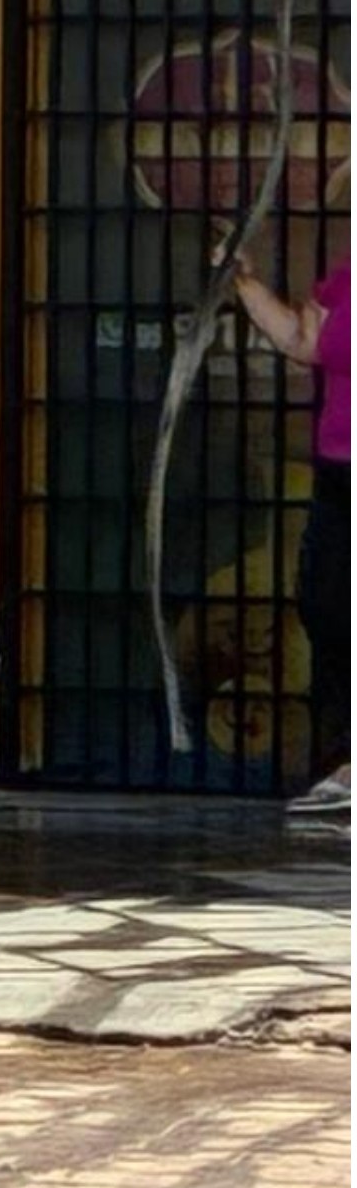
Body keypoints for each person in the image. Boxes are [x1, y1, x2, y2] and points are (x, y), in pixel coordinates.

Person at [220, 236, 349, 813]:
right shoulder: (348, 277)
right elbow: (304, 341)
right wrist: (244, 281)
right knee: (326, 605)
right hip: (339, 470)